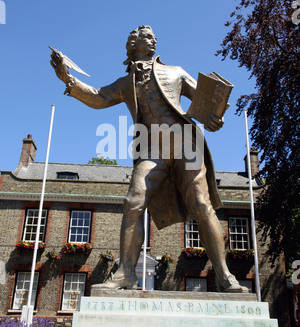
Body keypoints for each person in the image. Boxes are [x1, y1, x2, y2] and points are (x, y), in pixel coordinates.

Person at [50, 25, 247, 292]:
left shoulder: (176, 72)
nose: (153, 40)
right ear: (133, 44)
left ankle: (224, 276)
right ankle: (126, 274)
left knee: (201, 204)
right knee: (133, 201)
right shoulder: (125, 83)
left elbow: (205, 99)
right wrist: (68, 79)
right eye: (147, 37)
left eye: (154, 37)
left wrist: (215, 117)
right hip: (151, 152)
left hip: (185, 147)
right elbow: (97, 97)